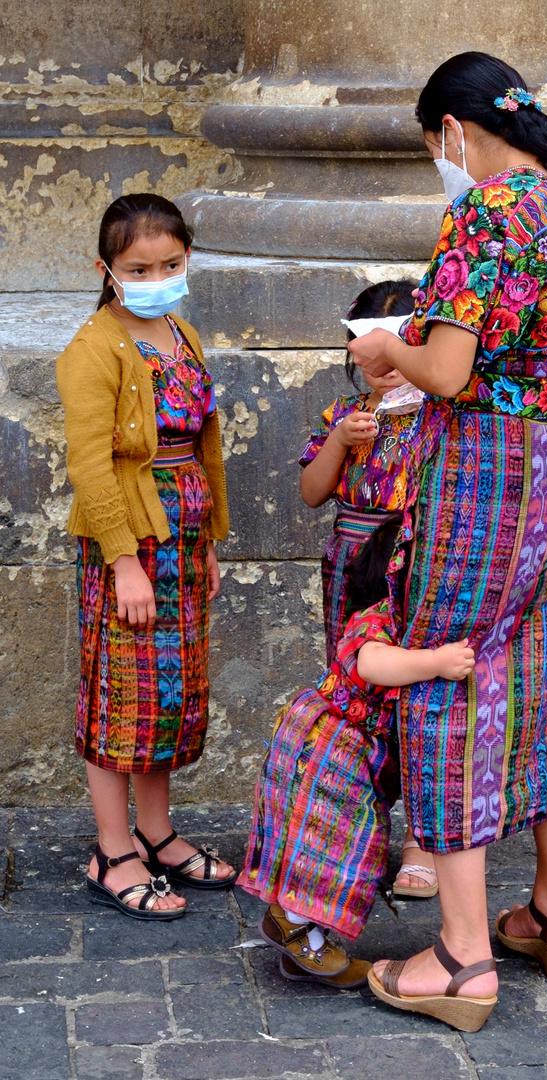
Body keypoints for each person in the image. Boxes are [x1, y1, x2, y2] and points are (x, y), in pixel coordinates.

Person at [348, 52, 547, 1030]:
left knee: (448, 671)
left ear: (452, 130)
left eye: (432, 145)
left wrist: (384, 347)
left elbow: (446, 369)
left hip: (484, 475)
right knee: (541, 670)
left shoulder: (487, 210)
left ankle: (462, 955)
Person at [56, 193, 237, 920]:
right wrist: (123, 560)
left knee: (168, 698)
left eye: (170, 262)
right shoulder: (94, 348)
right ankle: (112, 849)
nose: (157, 274)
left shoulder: (182, 333)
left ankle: (157, 832)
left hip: (184, 543)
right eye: (139, 266)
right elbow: (91, 466)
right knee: (119, 697)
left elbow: (207, 447)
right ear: (107, 269)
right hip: (127, 545)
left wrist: (211, 541)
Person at [238, 515, 482, 1010]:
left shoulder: (408, 621)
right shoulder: (378, 617)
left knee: (329, 844)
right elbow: (371, 662)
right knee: (331, 844)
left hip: (341, 750)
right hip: (336, 749)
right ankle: (294, 925)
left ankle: (301, 939)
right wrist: (434, 662)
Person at [300, 280, 449, 899]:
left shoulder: (446, 420)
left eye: (396, 352)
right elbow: (312, 493)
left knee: (416, 692)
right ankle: (365, 826)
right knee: (356, 689)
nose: (384, 369)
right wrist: (340, 442)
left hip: (411, 567)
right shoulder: (345, 415)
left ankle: (423, 840)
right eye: (370, 355)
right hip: (349, 567)